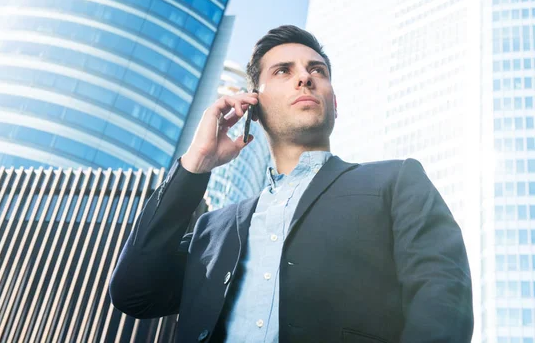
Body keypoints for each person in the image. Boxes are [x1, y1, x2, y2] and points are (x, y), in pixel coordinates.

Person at [109, 25, 473, 343]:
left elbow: (443, 297)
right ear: (253, 105)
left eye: (318, 70)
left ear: (335, 102)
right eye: (284, 70)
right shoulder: (213, 229)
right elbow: (134, 293)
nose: (306, 77)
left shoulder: (395, 181)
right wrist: (195, 164)